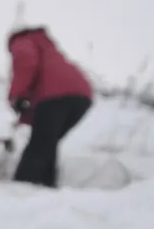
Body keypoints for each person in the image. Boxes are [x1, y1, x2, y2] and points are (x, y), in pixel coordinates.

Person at [6, 26, 93, 188]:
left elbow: (26, 64)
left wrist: (17, 96)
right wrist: (25, 115)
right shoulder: (45, 47)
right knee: (47, 143)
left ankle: (20, 190)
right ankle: (47, 188)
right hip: (82, 96)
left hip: (57, 96)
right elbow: (42, 95)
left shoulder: (22, 41)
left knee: (39, 145)